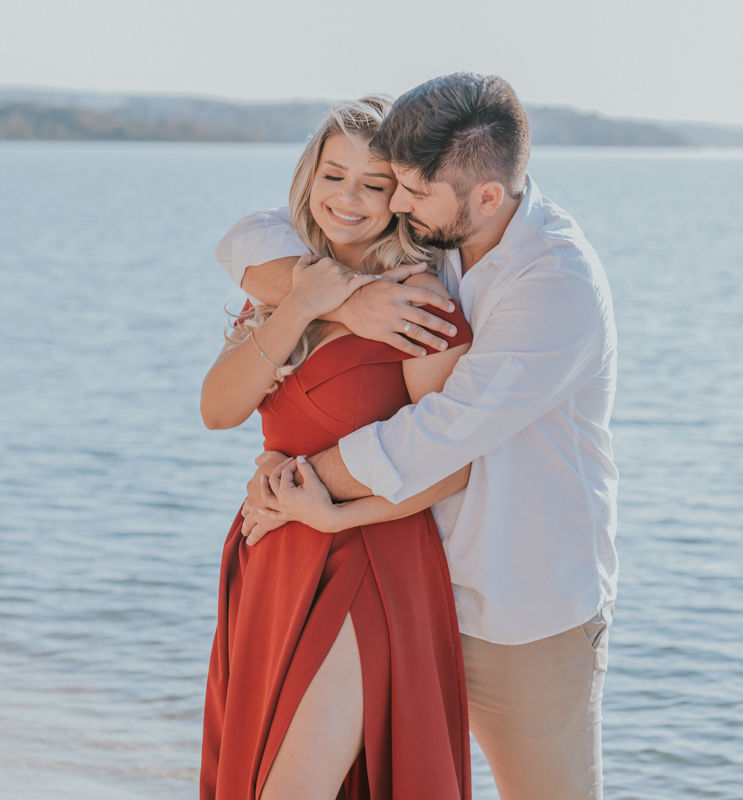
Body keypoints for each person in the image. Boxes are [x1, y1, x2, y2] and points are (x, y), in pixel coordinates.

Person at [219, 73, 619, 800]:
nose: (395, 203)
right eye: (393, 183)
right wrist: (349, 300)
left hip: (514, 608)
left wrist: (291, 487)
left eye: (409, 191)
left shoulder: (553, 285)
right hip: (404, 577)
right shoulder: (440, 228)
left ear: (488, 197)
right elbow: (254, 235)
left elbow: (436, 436)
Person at [199, 96, 473, 800]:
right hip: (271, 560)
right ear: (308, 178)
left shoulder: (419, 305)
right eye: (332, 175)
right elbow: (218, 411)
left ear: (399, 198)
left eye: (372, 184)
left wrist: (334, 518)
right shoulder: (285, 287)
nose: (346, 199)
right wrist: (304, 306)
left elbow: (454, 466)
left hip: (367, 564)